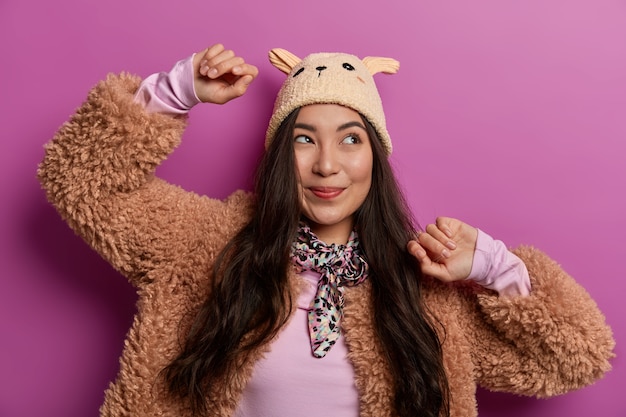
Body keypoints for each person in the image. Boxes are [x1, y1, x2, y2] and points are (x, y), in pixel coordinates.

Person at [38, 43, 614, 417]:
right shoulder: (202, 245)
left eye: (351, 139)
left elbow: (574, 360)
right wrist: (175, 91)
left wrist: (497, 268)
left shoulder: (423, 293)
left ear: (375, 160)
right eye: (305, 139)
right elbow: (81, 181)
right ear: (278, 156)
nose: (327, 166)